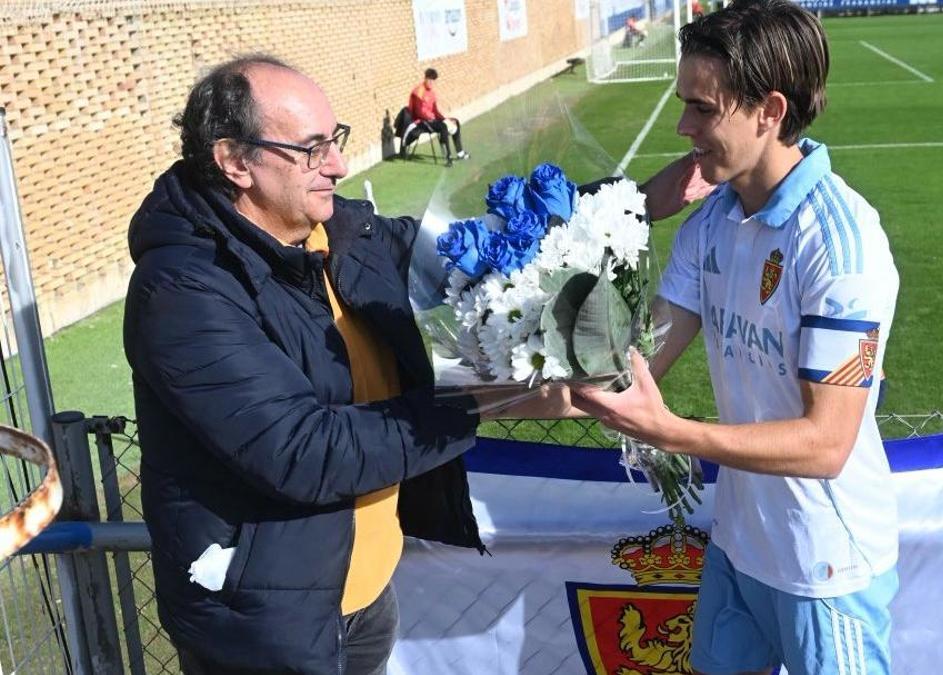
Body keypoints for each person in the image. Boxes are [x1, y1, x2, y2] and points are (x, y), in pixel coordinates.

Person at [125, 54, 709, 674]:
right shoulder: (183, 293)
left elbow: (479, 245)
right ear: (234, 161)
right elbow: (304, 452)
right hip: (264, 632)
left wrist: (629, 205)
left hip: (365, 598)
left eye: (336, 140)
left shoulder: (340, 232)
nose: (340, 165)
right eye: (312, 148)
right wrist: (486, 398)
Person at [570, 2, 901, 674]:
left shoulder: (839, 243)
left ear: (769, 111)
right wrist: (475, 395)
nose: (682, 125)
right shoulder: (710, 225)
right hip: (740, 544)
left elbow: (826, 442)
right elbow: (630, 367)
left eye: (702, 107)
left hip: (822, 566)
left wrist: (673, 431)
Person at [408, 68, 468, 167]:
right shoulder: (418, 91)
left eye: (433, 81)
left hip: (431, 120)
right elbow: (418, 112)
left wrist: (445, 119)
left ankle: (460, 153)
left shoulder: (432, 92)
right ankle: (448, 157)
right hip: (420, 121)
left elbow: (435, 110)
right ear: (425, 78)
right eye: (429, 80)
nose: (431, 83)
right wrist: (432, 117)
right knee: (443, 127)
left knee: (455, 122)